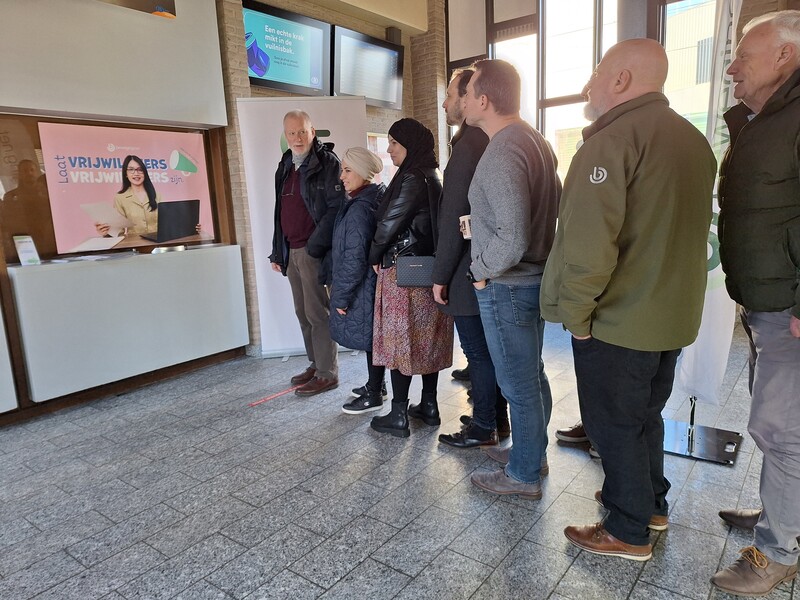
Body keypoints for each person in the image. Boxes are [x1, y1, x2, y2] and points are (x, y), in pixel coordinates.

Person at [540, 38, 716, 561]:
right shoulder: (692, 139)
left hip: (619, 318)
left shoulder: (612, 140)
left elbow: (590, 244)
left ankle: (626, 528)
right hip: (670, 316)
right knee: (644, 415)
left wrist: (574, 317)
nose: (587, 86)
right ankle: (648, 503)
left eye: (595, 74)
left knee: (613, 423)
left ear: (619, 80)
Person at [710, 11, 800, 596]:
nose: (732, 65)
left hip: (789, 309)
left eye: (745, 53)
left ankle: (778, 549)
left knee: (781, 429)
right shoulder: (768, 118)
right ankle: (782, 516)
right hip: (768, 301)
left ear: (785, 57)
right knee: (782, 425)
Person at [462, 59, 559, 498]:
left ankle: (522, 474)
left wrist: (479, 271)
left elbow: (513, 235)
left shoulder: (503, 149)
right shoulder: (534, 140)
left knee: (517, 383)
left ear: (483, 100)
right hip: (532, 280)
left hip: (508, 285)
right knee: (530, 376)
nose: (462, 100)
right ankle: (529, 452)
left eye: (466, 93)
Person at [429, 68, 509, 449]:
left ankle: (483, 427)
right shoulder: (493, 140)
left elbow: (453, 215)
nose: (445, 103)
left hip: (466, 269)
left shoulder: (469, 145)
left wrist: (440, 273)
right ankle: (497, 418)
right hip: (485, 264)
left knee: (478, 352)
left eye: (449, 95)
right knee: (489, 350)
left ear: (468, 99)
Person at [368, 118, 452, 438]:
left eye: (393, 143)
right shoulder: (433, 174)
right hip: (429, 270)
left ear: (409, 145)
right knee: (428, 339)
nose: (388, 149)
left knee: (400, 340)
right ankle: (428, 406)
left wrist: (374, 254)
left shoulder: (412, 178)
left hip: (403, 272)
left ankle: (399, 413)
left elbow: (389, 223)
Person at [269, 110, 344, 397]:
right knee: (302, 312)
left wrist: (314, 245)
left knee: (317, 313)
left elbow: (336, 208)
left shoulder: (327, 163)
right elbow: (279, 211)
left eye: (302, 131)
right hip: (291, 250)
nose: (297, 138)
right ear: (285, 135)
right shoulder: (286, 163)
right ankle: (316, 364)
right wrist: (277, 251)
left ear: (313, 132)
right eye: (291, 133)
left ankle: (328, 373)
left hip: (312, 251)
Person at [328, 147, 387, 414]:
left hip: (363, 288)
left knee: (370, 339)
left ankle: (374, 395)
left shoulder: (360, 209)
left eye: (348, 170)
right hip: (368, 286)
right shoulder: (368, 200)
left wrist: (340, 297)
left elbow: (354, 258)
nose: (342, 176)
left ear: (363, 173)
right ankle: (377, 385)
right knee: (371, 338)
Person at [96, 155, 162, 236]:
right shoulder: (120, 197)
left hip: (158, 244)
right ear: (126, 174)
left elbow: (166, 223)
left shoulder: (157, 195)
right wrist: (107, 232)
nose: (136, 173)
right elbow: (118, 231)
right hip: (135, 245)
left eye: (140, 169)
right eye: (131, 170)